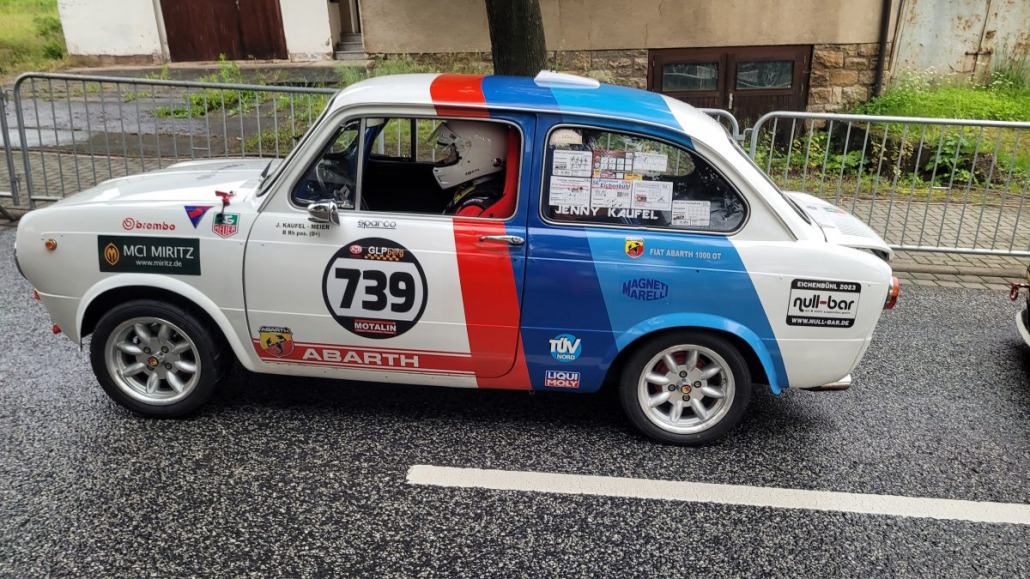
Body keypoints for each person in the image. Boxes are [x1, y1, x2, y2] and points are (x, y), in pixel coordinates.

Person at [428, 120, 510, 216]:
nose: (446, 159)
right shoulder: (477, 187)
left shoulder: (473, 209)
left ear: (474, 155)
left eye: (452, 153)